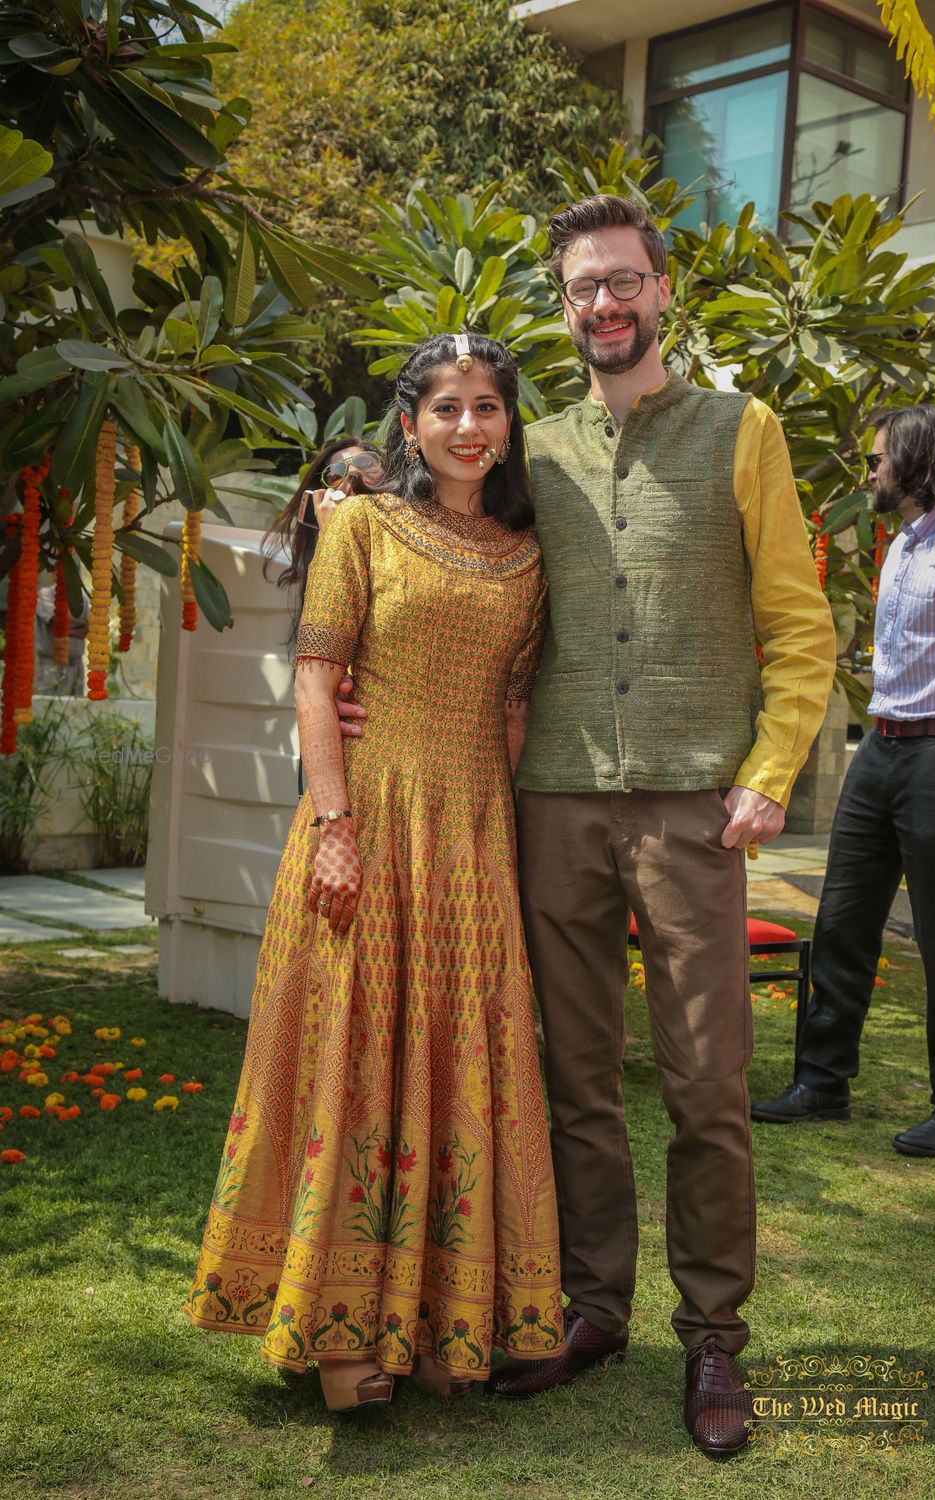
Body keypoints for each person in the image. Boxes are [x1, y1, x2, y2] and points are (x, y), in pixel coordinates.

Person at [337, 196, 837, 1455]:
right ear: (563, 308)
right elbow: (441, 558)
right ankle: (591, 1306)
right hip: (548, 803)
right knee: (573, 1078)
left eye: (623, 282)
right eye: (581, 289)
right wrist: (353, 684)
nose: (604, 304)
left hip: (691, 809)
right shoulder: (530, 446)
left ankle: (713, 1336)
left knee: (706, 1084)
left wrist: (769, 772)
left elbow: (801, 623)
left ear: (663, 290)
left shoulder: (744, 429)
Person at [184, 333, 564, 1411]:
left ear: (507, 425)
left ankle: (444, 1319)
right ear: (409, 425)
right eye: (445, 408)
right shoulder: (361, 526)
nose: (467, 426)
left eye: (487, 407)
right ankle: (341, 1330)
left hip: (472, 828)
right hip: (369, 812)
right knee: (352, 1051)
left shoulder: (529, 556)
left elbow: (517, 706)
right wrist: (336, 820)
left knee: (458, 1057)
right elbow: (317, 675)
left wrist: (513, 835)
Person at [752, 405, 935, 1158]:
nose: (870, 473)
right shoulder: (902, 547)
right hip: (882, 751)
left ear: (918, 462)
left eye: (879, 460)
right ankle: (822, 1083)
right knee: (843, 920)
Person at [263, 435, 382, 642]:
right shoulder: (325, 561)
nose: (353, 472)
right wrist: (331, 534)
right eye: (336, 474)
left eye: (365, 463)